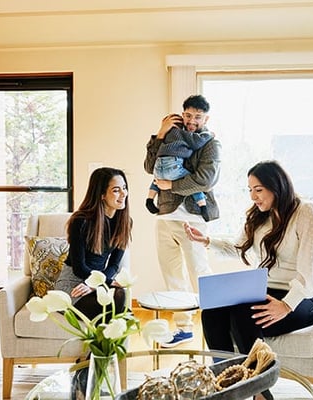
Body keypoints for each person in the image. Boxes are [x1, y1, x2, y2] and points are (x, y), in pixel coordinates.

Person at [184, 160, 313, 400]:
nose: (253, 196)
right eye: (250, 190)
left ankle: (260, 391)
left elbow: (311, 273)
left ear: (277, 186)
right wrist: (206, 241)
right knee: (212, 311)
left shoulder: (306, 211)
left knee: (244, 313)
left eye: (258, 190)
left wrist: (286, 305)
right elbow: (239, 246)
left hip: (304, 297)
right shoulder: (260, 215)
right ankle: (225, 382)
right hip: (267, 288)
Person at [144, 94, 221, 347]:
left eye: (197, 117)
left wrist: (173, 185)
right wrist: (159, 133)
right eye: (188, 115)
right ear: (182, 114)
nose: (191, 121)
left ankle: (217, 328)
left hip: (194, 219)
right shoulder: (170, 135)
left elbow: (206, 179)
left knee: (200, 273)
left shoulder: (211, 143)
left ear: (205, 118)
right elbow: (149, 167)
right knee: (172, 275)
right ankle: (184, 329)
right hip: (165, 216)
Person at [54, 167, 132, 320]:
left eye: (124, 188)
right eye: (116, 190)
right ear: (102, 194)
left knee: (120, 297)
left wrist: (97, 284)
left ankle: (101, 343)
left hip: (96, 282)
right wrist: (102, 283)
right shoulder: (81, 221)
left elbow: (114, 265)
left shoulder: (125, 222)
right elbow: (79, 268)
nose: (123, 194)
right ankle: (103, 343)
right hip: (73, 284)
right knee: (119, 312)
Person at [145, 119, 214, 222]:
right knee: (191, 182)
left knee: (157, 180)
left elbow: (151, 168)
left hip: (159, 166)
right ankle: (203, 206)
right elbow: (197, 141)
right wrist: (210, 134)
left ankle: (149, 199)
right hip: (172, 166)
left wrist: (161, 133)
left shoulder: (163, 139)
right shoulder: (182, 134)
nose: (191, 121)